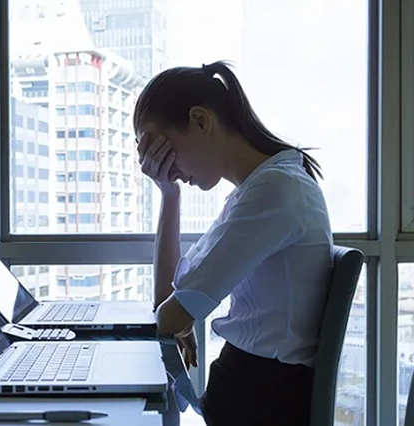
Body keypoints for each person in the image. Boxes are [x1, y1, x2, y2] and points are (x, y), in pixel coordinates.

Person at [134, 61, 333, 426]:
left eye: (161, 150)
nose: (162, 166)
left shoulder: (274, 192)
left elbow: (170, 316)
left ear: (200, 120)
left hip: (260, 403)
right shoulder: (257, 190)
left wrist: (178, 316)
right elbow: (168, 305)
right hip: (251, 394)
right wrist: (169, 194)